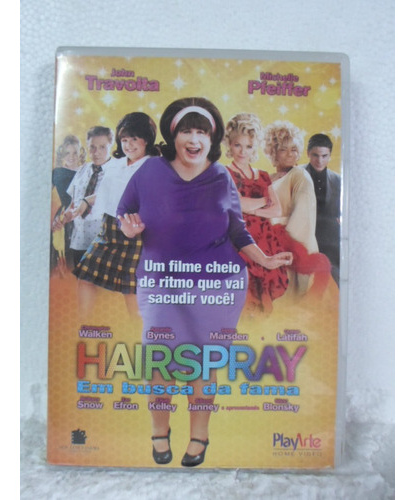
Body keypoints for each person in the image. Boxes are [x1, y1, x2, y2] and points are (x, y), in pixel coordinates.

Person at [116, 98, 292, 467]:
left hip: (217, 285)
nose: (194, 139)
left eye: (202, 132)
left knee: (202, 362)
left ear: (212, 140)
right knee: (159, 359)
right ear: (174, 136)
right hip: (162, 281)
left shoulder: (220, 176)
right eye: (187, 131)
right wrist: (129, 229)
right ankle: (159, 431)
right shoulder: (150, 171)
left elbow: (237, 230)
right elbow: (124, 211)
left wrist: (264, 258)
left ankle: (200, 435)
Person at [72, 113, 160, 319]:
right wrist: (85, 201)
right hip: (108, 230)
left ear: (146, 139)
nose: (128, 145)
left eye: (134, 139)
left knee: (132, 291)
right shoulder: (117, 164)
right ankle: (82, 322)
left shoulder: (154, 167)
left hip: (135, 235)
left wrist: (137, 226)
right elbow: (109, 192)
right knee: (85, 276)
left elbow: (158, 204)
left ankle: (138, 332)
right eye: (124, 140)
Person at [224, 113, 288, 314]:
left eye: (249, 146)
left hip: (264, 239)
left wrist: (251, 208)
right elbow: (235, 205)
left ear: (255, 147)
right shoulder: (225, 173)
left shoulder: (263, 176)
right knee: (244, 292)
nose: (243, 151)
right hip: (239, 240)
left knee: (264, 293)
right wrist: (263, 201)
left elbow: (277, 209)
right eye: (238, 145)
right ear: (229, 144)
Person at [264, 121, 330, 295]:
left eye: (294, 149)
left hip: (289, 246)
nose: (290, 154)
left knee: (288, 297)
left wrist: (282, 242)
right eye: (283, 149)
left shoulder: (299, 175)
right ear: (273, 151)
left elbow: (303, 214)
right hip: (266, 246)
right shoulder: (267, 178)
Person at [55, 126, 114, 266]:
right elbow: (73, 204)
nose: (96, 152)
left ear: (111, 146)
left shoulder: (118, 171)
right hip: (79, 242)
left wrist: (88, 201)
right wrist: (66, 216)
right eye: (92, 147)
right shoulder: (82, 170)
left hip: (105, 243)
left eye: (102, 147)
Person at [304, 134, 341, 285]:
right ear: (308, 153)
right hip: (304, 236)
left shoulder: (338, 180)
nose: (320, 160)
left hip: (329, 240)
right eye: (315, 155)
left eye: (324, 156)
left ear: (330, 155)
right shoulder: (296, 174)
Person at [50, 135, 85, 273]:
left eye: (75, 152)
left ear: (80, 152)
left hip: (83, 212)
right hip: (64, 216)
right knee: (64, 252)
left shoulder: (86, 171)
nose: (71, 157)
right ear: (62, 153)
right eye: (67, 153)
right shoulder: (57, 173)